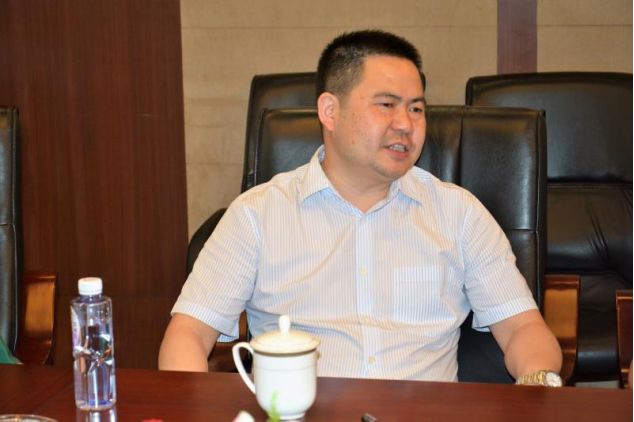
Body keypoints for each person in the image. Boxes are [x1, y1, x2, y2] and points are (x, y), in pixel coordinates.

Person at [159, 29, 562, 385]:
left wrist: (537, 383)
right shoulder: (257, 215)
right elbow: (188, 334)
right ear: (330, 111)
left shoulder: (458, 214)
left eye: (416, 108)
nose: (406, 124)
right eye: (386, 105)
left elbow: (523, 329)